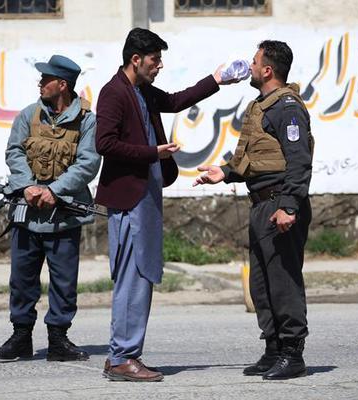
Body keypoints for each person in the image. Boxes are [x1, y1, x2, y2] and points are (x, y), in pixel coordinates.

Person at [95, 28, 235, 382]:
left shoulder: (141, 91)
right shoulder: (114, 93)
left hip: (147, 196)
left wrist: (216, 79)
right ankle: (123, 356)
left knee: (142, 275)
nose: (159, 66)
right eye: (155, 60)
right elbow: (104, 144)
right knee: (133, 276)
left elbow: (173, 101)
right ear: (136, 59)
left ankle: (120, 356)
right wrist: (150, 153)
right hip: (129, 200)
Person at [194, 40, 314, 380]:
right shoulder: (261, 106)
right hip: (262, 203)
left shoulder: (287, 108)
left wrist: (289, 206)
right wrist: (226, 172)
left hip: (280, 203)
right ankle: (273, 349)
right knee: (262, 284)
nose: (249, 65)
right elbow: (255, 158)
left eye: (255, 60)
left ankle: (293, 353)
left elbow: (298, 162)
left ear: (268, 70)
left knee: (283, 282)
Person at [0, 55, 101, 362]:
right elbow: (14, 152)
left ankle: (58, 340)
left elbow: (88, 163)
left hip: (63, 215)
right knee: (22, 279)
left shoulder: (88, 121)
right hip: (27, 212)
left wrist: (54, 191)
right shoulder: (28, 115)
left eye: (46, 79)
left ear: (62, 85)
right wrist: (28, 186)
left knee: (64, 282)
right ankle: (21, 338)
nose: (40, 84)